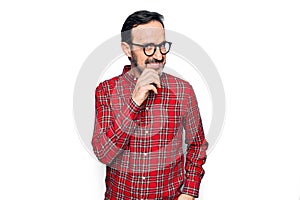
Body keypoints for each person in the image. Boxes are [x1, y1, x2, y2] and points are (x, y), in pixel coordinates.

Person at [92, 10, 208, 200]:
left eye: (162, 46)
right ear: (127, 49)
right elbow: (104, 153)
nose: (158, 55)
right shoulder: (106, 91)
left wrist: (189, 191)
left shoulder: (183, 91)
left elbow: (197, 144)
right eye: (148, 47)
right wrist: (135, 101)